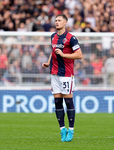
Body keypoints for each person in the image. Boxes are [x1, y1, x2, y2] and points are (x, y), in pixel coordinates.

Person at [42, 14, 82, 142]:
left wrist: (64, 54)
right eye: (55, 20)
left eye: (59, 20)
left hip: (66, 74)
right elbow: (53, 51)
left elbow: (79, 55)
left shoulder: (71, 38)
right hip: (54, 73)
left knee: (68, 102)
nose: (57, 22)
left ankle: (71, 130)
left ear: (65, 22)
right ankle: (62, 129)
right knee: (57, 102)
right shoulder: (53, 36)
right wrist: (48, 62)